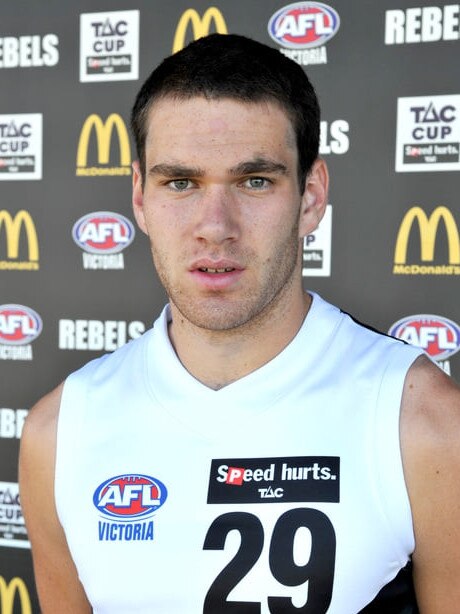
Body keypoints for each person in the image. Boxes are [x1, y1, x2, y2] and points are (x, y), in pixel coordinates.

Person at [19, 33, 460, 614]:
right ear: (140, 198)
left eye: (255, 181)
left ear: (310, 196)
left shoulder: (424, 423)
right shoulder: (60, 432)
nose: (214, 226)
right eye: (180, 182)